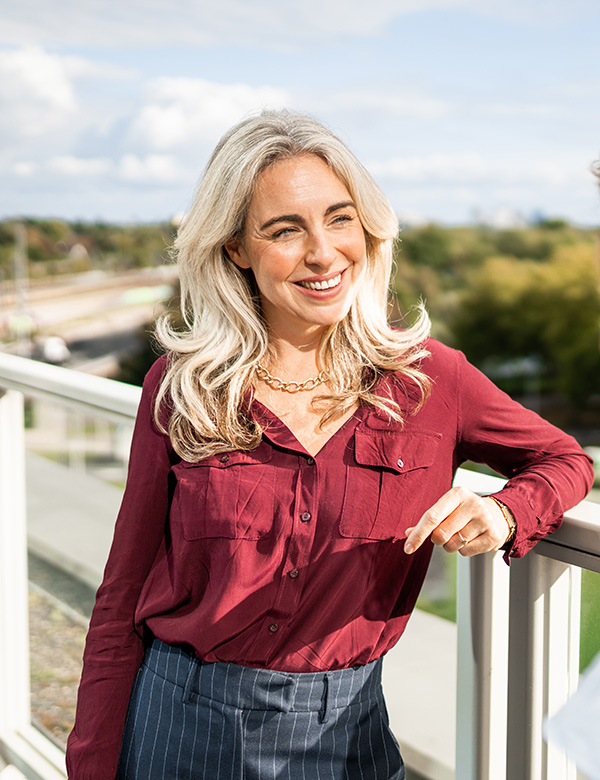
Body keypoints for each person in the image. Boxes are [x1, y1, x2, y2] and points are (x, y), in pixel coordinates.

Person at [66, 110, 594, 780]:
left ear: (368, 227)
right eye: (284, 230)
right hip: (179, 727)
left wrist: (505, 511)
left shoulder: (431, 381)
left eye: (339, 218)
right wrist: (89, 767)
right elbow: (121, 600)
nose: (323, 253)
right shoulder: (181, 388)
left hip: (345, 738)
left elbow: (565, 459)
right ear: (236, 248)